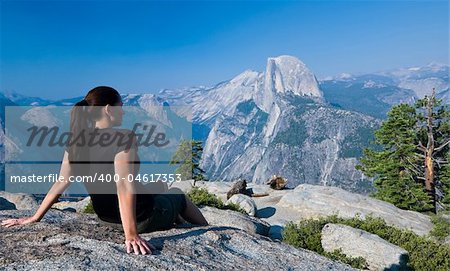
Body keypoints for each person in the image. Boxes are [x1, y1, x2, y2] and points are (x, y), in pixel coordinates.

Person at [1, 86, 208, 255]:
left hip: (106, 218)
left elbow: (61, 182)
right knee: (179, 196)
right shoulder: (124, 137)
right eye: (120, 107)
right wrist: (131, 235)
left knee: (160, 185)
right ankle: (207, 230)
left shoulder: (75, 141)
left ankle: (176, 219)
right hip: (142, 219)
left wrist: (34, 217)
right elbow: (123, 184)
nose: (123, 111)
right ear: (108, 109)